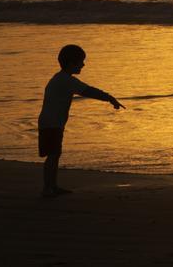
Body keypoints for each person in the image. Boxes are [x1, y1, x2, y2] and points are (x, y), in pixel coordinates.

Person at [37, 44, 124, 197]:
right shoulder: (66, 80)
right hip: (51, 123)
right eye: (80, 62)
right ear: (71, 63)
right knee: (53, 154)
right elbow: (89, 91)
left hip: (51, 122)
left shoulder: (60, 78)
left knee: (55, 154)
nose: (83, 65)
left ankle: (52, 186)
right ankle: (47, 189)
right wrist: (109, 98)